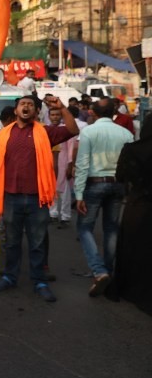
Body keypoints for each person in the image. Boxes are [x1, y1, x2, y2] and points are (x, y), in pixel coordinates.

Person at [0, 95, 79, 302]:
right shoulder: (2, 135)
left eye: (30, 105)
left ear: (36, 111)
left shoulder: (45, 132)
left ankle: (39, 281)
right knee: (12, 242)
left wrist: (62, 108)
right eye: (22, 104)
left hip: (37, 199)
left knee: (37, 243)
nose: (26, 107)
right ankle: (9, 277)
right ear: (16, 111)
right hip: (10, 198)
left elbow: (73, 130)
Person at [73, 97, 134, 297]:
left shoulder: (89, 132)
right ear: (113, 112)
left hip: (95, 184)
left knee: (84, 228)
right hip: (117, 184)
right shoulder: (126, 133)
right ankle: (107, 271)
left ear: (93, 113)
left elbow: (82, 164)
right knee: (111, 229)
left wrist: (79, 193)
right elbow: (129, 164)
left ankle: (99, 271)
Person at [106, 113, 152, 315]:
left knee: (134, 250)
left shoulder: (133, 150)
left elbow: (121, 176)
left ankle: (131, 288)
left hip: (139, 207)